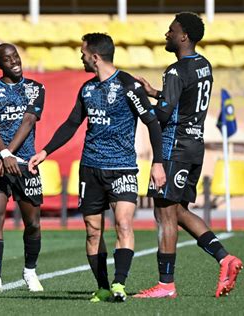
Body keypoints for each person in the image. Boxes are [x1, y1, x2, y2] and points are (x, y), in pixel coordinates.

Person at [28, 33, 166, 303]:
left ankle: (119, 284)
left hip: (123, 168)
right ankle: (102, 286)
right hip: (90, 169)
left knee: (124, 224)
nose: (80, 57)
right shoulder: (87, 89)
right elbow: (71, 124)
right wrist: (45, 151)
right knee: (93, 231)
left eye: (82, 53)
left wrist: (157, 163)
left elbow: (151, 122)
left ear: (95, 56)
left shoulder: (128, 85)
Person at [133, 12, 243, 299]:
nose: (167, 34)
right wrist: (157, 92)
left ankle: (165, 285)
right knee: (179, 211)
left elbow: (164, 114)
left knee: (164, 213)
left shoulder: (175, 70)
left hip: (174, 147)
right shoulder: (203, 66)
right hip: (195, 146)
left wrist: (138, 104)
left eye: (171, 30)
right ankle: (224, 258)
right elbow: (184, 99)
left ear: (184, 36)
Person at [0, 43, 45, 294]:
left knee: (33, 223)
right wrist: (3, 154)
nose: (14, 61)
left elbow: (28, 121)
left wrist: (10, 154)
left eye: (15, 56)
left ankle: (30, 270)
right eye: (7, 59)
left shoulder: (35, 88)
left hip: (26, 164)